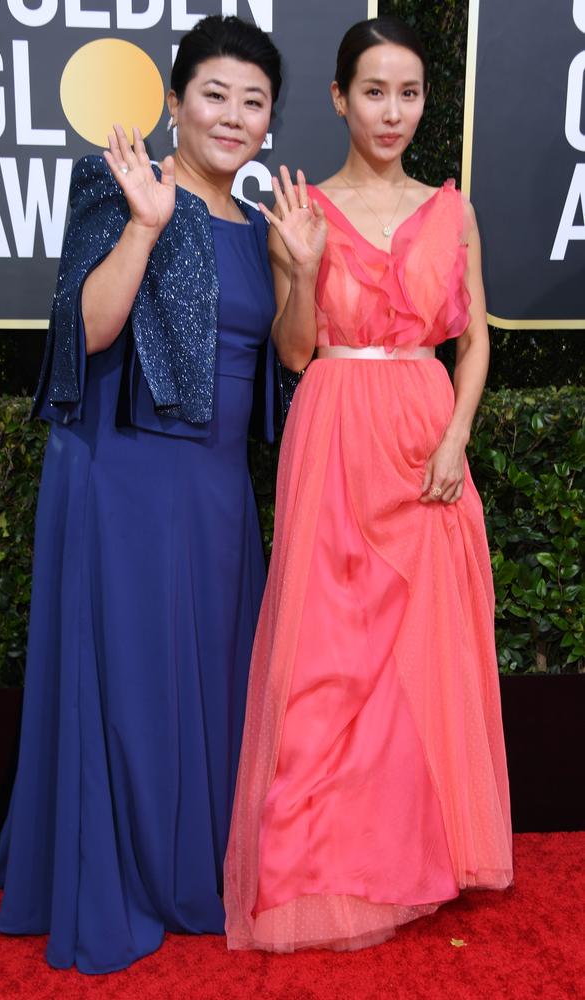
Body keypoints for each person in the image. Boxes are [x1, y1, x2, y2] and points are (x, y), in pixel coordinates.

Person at [0, 15, 282, 974]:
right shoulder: (117, 184)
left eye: (253, 101)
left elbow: (290, 359)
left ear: (271, 120)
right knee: (136, 679)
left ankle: (201, 858)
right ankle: (135, 871)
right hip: (128, 473)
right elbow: (91, 331)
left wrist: (305, 273)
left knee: (207, 671)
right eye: (214, 95)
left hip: (219, 486)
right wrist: (146, 225)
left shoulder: (264, 225)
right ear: (177, 101)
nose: (232, 118)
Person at [224, 15, 513, 953]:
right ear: (340, 98)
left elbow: (472, 341)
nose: (394, 111)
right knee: (329, 656)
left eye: (411, 92)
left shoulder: (452, 207)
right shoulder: (302, 207)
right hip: (338, 425)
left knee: (421, 657)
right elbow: (297, 352)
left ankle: (416, 851)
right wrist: (302, 270)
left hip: (427, 435)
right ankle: (322, 861)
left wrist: (456, 439)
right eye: (375, 92)